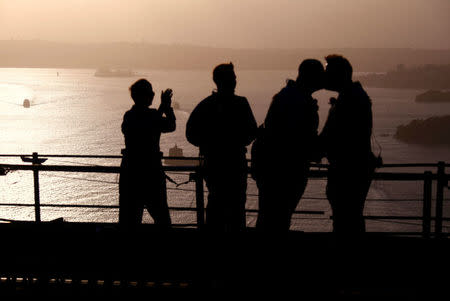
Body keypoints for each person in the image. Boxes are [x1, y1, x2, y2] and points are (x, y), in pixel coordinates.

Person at [252, 59, 324, 232]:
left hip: (273, 170)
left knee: (271, 219)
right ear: (311, 77)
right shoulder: (297, 101)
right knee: (276, 220)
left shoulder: (287, 96)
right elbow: (295, 139)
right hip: (284, 172)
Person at [186, 63, 257, 232]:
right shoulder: (241, 103)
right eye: (232, 78)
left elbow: (191, 134)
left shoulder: (206, 105)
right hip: (234, 162)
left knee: (216, 205)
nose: (234, 81)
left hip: (215, 163)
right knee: (236, 206)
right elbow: (252, 131)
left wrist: (208, 143)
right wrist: (236, 140)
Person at [319, 54, 376, 234]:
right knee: (350, 217)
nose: (324, 76)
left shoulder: (350, 100)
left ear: (340, 74)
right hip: (354, 168)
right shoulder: (354, 96)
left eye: (328, 71)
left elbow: (333, 136)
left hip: (348, 170)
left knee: (346, 218)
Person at [119, 79, 176, 230]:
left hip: (130, 173)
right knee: (163, 220)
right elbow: (170, 125)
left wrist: (162, 108)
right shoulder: (150, 116)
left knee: (129, 220)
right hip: (151, 173)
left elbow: (148, 123)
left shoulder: (129, 116)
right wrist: (166, 108)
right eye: (151, 93)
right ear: (145, 95)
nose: (153, 95)